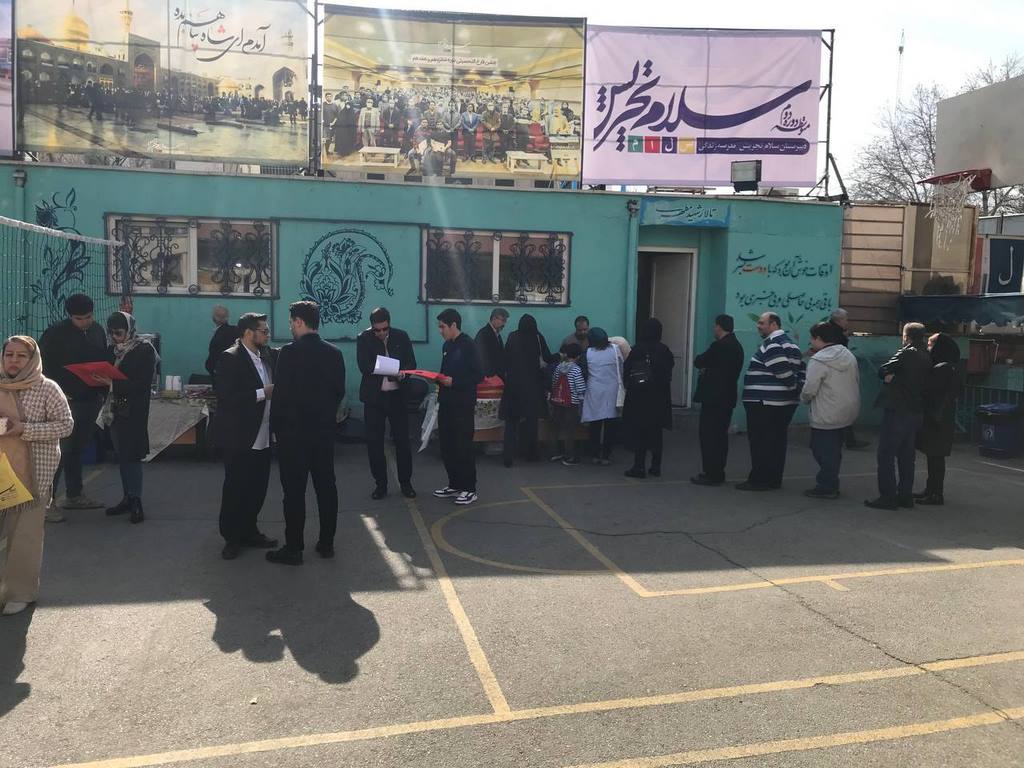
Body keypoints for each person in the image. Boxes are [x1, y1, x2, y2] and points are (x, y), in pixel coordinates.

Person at [268, 301, 347, 565]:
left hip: (293, 435)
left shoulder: (289, 353)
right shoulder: (334, 353)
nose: (290, 327)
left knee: (294, 493)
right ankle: (327, 543)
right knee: (326, 488)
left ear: (299, 322)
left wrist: (276, 428)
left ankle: (294, 548)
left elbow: (281, 394)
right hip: (323, 433)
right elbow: (339, 391)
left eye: (291, 322)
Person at [0, 336, 73, 615]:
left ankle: (20, 592)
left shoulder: (46, 388)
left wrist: (24, 429)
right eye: (9, 354)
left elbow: (65, 425)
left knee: (24, 536)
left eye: (21, 356)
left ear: (32, 360)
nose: (14, 360)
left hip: (33, 475)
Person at [213, 313, 279, 561]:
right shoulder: (230, 358)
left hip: (264, 433)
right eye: (264, 331)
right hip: (239, 436)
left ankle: (250, 530)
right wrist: (263, 393)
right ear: (249, 333)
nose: (267, 335)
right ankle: (231, 538)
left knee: (257, 488)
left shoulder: (266, 355)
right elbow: (227, 397)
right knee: (236, 488)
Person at [39, 293, 108, 516]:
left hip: (91, 399)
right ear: (70, 316)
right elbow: (42, 366)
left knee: (78, 449)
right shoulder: (55, 333)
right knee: (59, 452)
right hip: (65, 401)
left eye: (88, 317)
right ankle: (46, 504)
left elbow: (104, 359)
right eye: (79, 319)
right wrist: (57, 393)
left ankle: (74, 495)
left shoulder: (97, 331)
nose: (85, 322)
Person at [96, 312, 158, 524]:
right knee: (121, 456)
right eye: (112, 333)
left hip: (133, 411)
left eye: (119, 333)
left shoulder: (144, 350)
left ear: (130, 330)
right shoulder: (111, 351)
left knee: (132, 456)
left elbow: (142, 384)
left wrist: (112, 384)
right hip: (114, 411)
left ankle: (136, 500)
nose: (115, 338)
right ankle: (127, 497)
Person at [866, 322, 932, 511]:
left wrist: (892, 378)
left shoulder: (907, 352)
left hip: (898, 408)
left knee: (886, 454)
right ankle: (905, 495)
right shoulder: (927, 355)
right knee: (906, 455)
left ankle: (888, 496)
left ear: (906, 336)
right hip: (916, 410)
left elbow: (883, 370)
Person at [737, 312, 804, 491]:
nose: (758, 326)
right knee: (776, 441)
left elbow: (783, 372)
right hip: (782, 403)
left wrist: (792, 386)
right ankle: (773, 479)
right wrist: (795, 389)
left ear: (774, 324)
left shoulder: (773, 344)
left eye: (762, 323)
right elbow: (801, 370)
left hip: (765, 402)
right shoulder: (792, 345)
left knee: (761, 442)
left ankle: (759, 480)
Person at [357, 307, 417, 500]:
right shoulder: (364, 338)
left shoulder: (401, 336)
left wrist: (402, 373)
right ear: (371, 327)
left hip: (397, 396)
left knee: (402, 442)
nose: (381, 333)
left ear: (389, 324)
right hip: (374, 398)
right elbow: (364, 365)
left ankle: (406, 483)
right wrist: (392, 368)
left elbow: (411, 363)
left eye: (385, 329)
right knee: (374, 443)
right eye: (377, 330)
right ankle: (380, 485)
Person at [800, 322, 861, 499]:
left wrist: (804, 399)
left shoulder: (819, 360)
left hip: (826, 412)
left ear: (819, 338)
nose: (811, 342)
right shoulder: (847, 355)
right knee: (833, 449)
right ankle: (830, 482)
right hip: (847, 409)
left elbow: (810, 389)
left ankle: (827, 485)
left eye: (812, 338)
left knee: (821, 449)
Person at [433, 309, 482, 506]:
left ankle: (469, 489)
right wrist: (437, 379)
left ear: (454, 325)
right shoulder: (447, 345)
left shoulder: (469, 345)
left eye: (442, 327)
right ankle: (454, 484)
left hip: (462, 404)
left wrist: (454, 382)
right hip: (446, 403)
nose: (440, 331)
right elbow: (445, 372)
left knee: (463, 446)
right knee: (447, 446)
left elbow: (478, 375)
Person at [691, 314, 744, 486]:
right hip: (727, 397)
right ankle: (718, 471)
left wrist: (706, 369)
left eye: (715, 326)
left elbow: (699, 361)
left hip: (713, 398)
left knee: (709, 436)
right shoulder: (737, 346)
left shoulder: (719, 346)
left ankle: (710, 473)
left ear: (719, 327)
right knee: (720, 437)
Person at [500, 314, 556, 467]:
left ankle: (508, 456)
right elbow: (547, 357)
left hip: (513, 385)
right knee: (531, 422)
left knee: (511, 422)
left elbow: (505, 359)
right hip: (532, 386)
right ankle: (531, 454)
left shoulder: (512, 337)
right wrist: (561, 356)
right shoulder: (537, 337)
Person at [622, 319, 674, 479]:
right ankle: (656, 466)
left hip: (640, 398)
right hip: (659, 398)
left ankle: (639, 467)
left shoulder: (638, 349)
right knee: (656, 434)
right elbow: (670, 369)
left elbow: (627, 370)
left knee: (640, 433)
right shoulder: (664, 350)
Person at [914, 333, 961, 506]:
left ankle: (936, 493)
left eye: (931, 344)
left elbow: (931, 391)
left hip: (937, 418)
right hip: (941, 417)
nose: (929, 347)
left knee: (935, 457)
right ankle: (931, 489)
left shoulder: (943, 368)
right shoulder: (949, 366)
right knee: (933, 456)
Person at [829, 308, 871, 450]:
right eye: (846, 319)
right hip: (837, 374)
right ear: (840, 320)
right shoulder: (837, 334)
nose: (848, 322)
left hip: (832, 375)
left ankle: (846, 439)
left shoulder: (829, 330)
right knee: (842, 407)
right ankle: (849, 441)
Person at [581, 327, 621, 465]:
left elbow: (584, 373)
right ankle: (606, 455)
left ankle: (595, 454)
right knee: (611, 424)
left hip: (594, 391)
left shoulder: (587, 353)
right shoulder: (615, 349)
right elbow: (622, 367)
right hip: (613, 390)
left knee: (595, 424)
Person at [549, 342, 586, 466]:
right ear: (578, 356)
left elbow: (554, 383)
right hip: (571, 404)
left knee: (555, 427)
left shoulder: (559, 367)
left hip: (558, 401)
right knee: (570, 430)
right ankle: (569, 456)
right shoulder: (576, 369)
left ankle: (554, 452)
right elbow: (580, 388)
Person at [474, 308, 508, 380]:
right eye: (503, 320)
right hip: (489, 379)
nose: (504, 324)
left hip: (495, 379)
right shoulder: (484, 334)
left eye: (505, 321)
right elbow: (481, 358)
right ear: (494, 318)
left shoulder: (496, 335)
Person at [205, 306, 237, 381]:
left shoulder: (219, 335)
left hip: (220, 377)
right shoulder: (235, 331)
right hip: (235, 376)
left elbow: (213, 358)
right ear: (227, 317)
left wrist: (210, 368)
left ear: (214, 318)